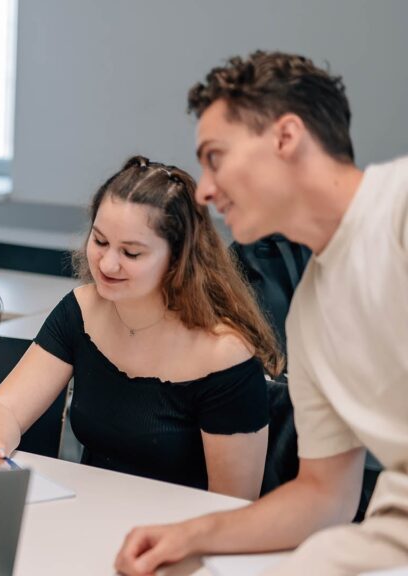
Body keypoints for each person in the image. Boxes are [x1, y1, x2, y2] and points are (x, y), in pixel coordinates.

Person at [114, 51, 408, 576]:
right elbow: (324, 496)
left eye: (215, 157)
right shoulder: (311, 317)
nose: (203, 190)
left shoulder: (400, 209)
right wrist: (191, 533)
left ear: (286, 137)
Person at [0, 155, 282, 499]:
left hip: (178, 537)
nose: (108, 263)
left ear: (178, 259)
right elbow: (3, 409)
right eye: (100, 242)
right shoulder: (82, 310)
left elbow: (232, 506)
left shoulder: (225, 355)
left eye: (131, 253)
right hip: (90, 516)